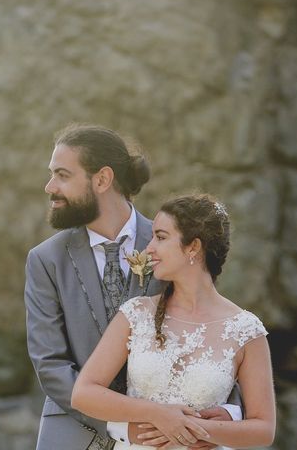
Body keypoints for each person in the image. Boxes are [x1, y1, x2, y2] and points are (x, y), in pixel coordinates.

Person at [25, 124, 243, 450]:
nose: (49, 186)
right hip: (73, 434)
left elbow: (212, 330)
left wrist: (229, 411)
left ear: (102, 180)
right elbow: (51, 364)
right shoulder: (46, 260)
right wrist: (122, 424)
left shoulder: (173, 244)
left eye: (62, 175)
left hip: (171, 437)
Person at [71, 194, 276, 449]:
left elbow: (264, 429)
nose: (148, 249)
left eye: (161, 237)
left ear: (193, 247)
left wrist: (198, 430)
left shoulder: (246, 330)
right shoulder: (136, 313)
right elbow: (84, 394)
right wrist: (157, 414)